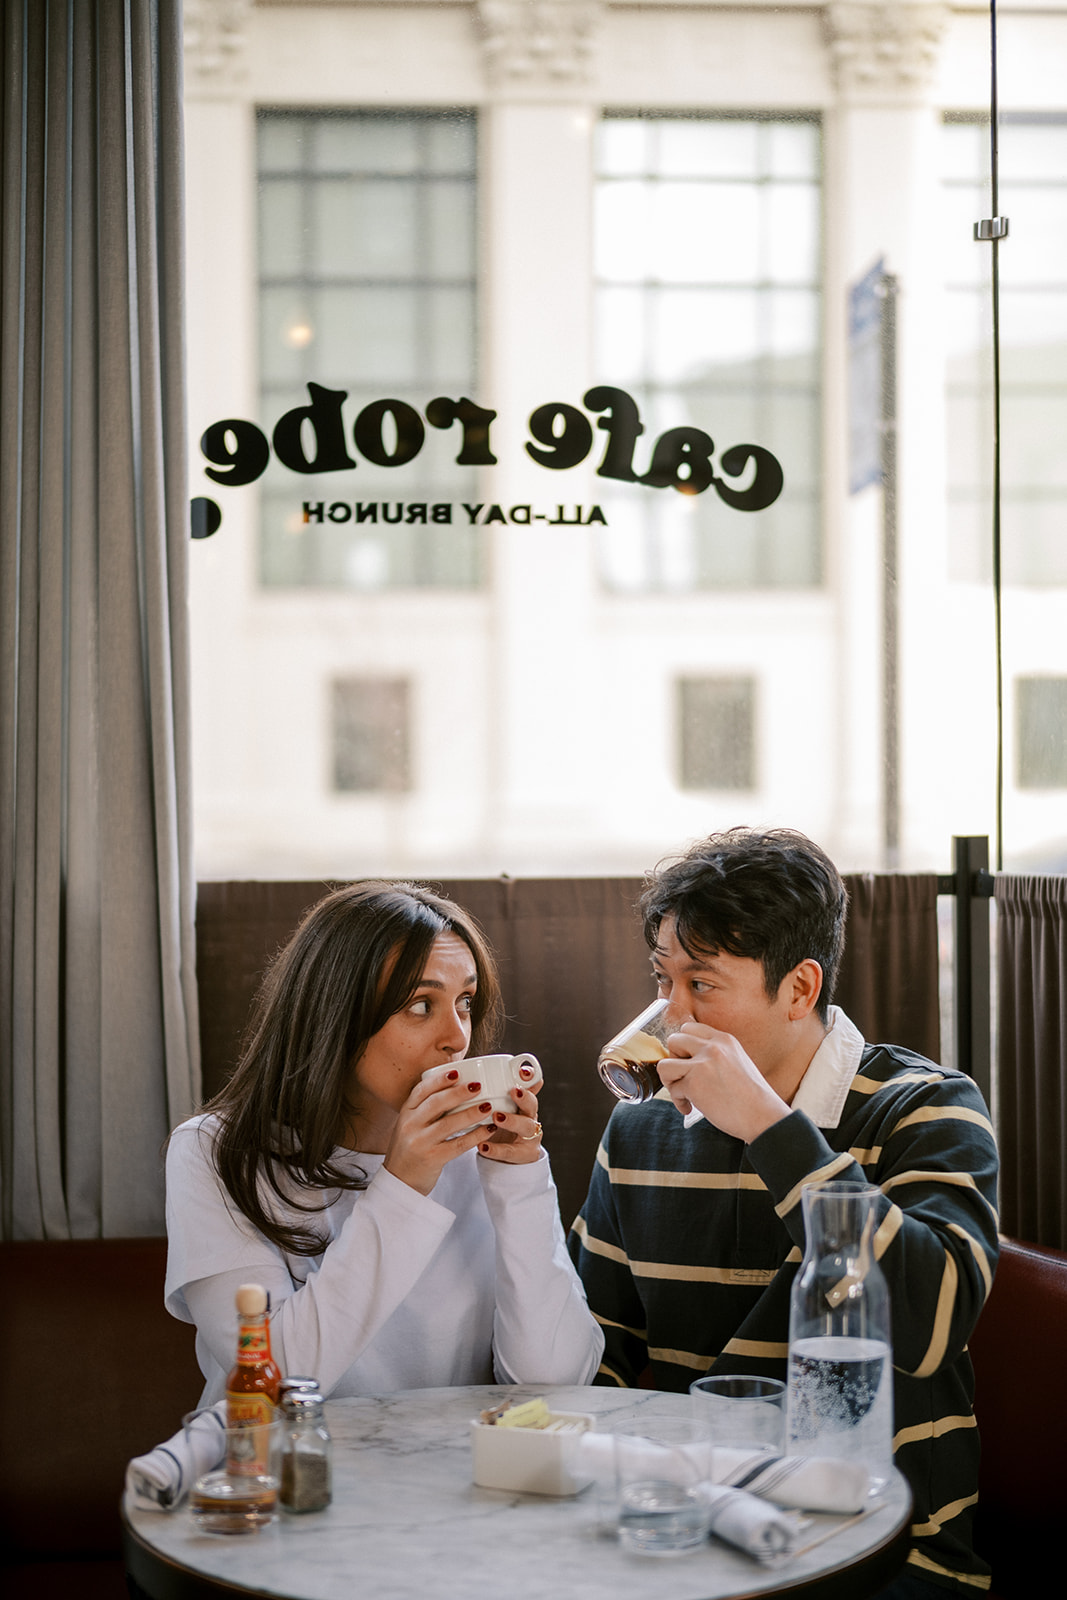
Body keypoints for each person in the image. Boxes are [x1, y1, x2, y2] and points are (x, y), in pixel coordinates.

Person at [569, 828, 998, 1599]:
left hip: (891, 1556)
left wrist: (771, 1129)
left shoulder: (925, 1108)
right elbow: (591, 1354)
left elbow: (933, 1320)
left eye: (701, 985)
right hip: (697, 1534)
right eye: (663, 979)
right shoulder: (639, 1130)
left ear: (799, 989)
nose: (670, 1015)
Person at [166, 881, 603, 1401]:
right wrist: (403, 1184)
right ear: (336, 1015)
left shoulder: (477, 1154)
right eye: (420, 1005)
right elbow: (278, 1381)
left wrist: (519, 1181)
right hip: (284, 1452)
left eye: (465, 1002)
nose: (457, 1038)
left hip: (451, 1453)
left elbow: (555, 1381)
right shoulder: (215, 1154)